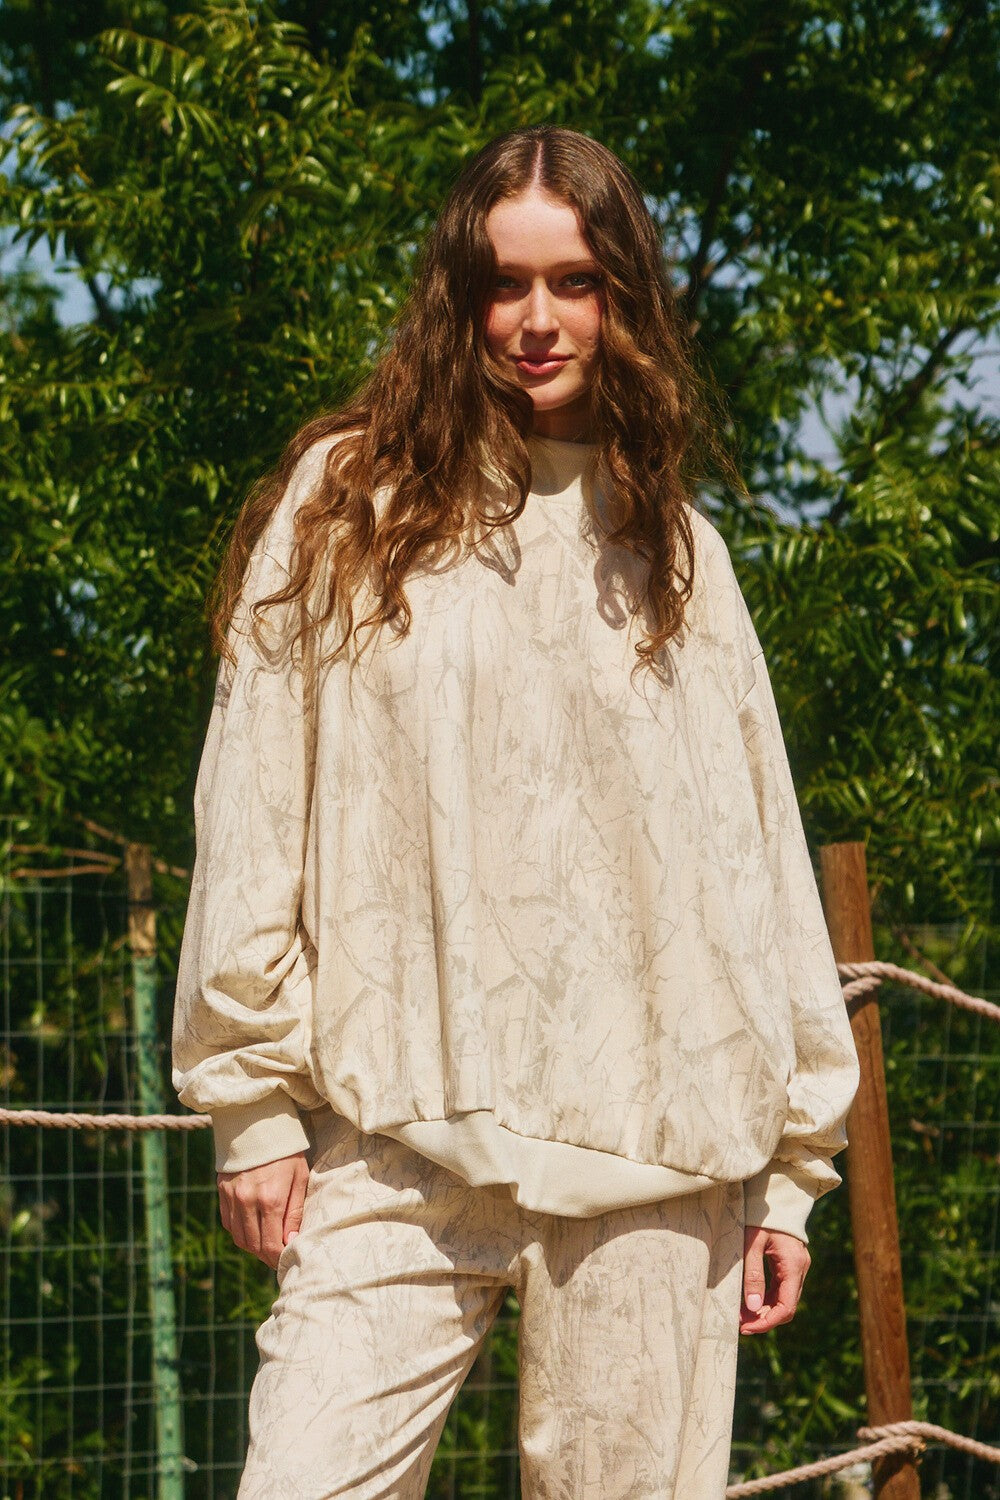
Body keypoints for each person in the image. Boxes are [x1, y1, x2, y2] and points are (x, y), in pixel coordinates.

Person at [172, 125, 860, 1499]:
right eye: (505, 283)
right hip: (397, 1140)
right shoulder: (349, 507)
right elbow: (252, 800)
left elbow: (759, 863)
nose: (538, 320)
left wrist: (792, 1168)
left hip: (658, 1161)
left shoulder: (680, 551)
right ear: (458, 295)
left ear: (625, 296)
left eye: (575, 282)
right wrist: (250, 1105)